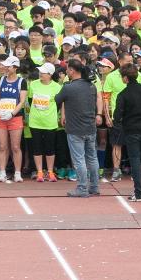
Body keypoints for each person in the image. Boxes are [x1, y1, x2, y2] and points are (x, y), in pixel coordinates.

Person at [56, 58, 101, 197]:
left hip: (75, 128)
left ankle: (82, 188)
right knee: (92, 158)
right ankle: (94, 186)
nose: (67, 72)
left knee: (79, 159)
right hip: (90, 127)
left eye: (68, 69)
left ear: (72, 70)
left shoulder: (68, 87)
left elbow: (57, 99)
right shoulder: (91, 86)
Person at [113, 65, 141, 202]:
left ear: (125, 78)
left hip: (131, 131)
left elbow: (117, 115)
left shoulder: (123, 94)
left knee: (135, 160)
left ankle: (138, 193)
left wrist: (121, 124)